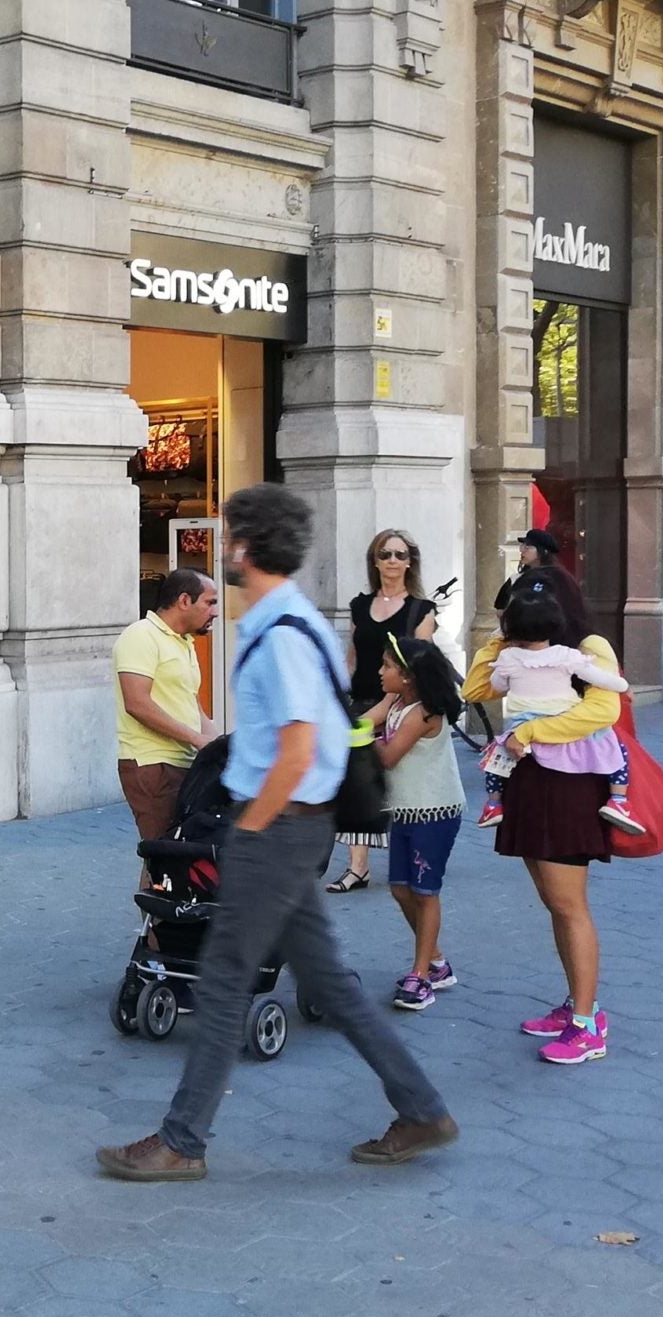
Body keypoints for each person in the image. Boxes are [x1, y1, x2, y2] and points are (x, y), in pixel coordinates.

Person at [97, 483, 458, 1182]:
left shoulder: (281, 633)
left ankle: (181, 1142)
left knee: (228, 976)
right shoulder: (287, 621)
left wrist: (248, 832)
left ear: (243, 547)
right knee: (332, 983)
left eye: (229, 536)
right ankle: (421, 1109)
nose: (222, 550)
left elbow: (296, 749)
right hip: (293, 826)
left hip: (277, 825)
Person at [463, 570, 625, 1064]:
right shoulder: (517, 650)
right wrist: (498, 637)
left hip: (570, 784)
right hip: (529, 782)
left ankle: (587, 1024)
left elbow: (603, 711)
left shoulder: (589, 646)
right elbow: (475, 690)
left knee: (568, 903)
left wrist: (531, 734)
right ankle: (579, 1004)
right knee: (553, 901)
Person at [472, 592, 641, 835]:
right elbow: (600, 678)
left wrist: (502, 653)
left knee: (495, 764)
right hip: (562, 717)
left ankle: (493, 804)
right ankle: (619, 801)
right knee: (615, 747)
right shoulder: (566, 655)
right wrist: (625, 687)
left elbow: (496, 686)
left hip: (522, 723)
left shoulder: (508, 657)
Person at [328, 529, 436, 894]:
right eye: (385, 554)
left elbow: (417, 668)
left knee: (403, 781)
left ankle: (417, 854)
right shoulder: (360, 605)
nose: (393, 561)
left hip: (400, 705)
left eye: (400, 555)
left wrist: (386, 707)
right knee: (359, 783)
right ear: (374, 561)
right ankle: (358, 867)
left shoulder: (421, 610)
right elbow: (353, 657)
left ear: (410, 562)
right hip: (360, 698)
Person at [364, 636, 467, 1011]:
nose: (380, 671)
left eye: (387, 666)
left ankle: (421, 974)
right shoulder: (396, 703)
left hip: (434, 812)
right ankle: (437, 961)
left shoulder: (424, 714)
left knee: (425, 893)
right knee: (400, 889)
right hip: (406, 811)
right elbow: (368, 720)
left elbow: (389, 756)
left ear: (407, 676)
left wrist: (365, 740)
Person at [113, 571, 220, 859]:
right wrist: (197, 740)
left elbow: (191, 705)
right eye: (210, 603)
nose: (216, 612)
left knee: (181, 853)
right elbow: (136, 703)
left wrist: (221, 746)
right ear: (184, 600)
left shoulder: (183, 642)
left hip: (184, 764)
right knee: (163, 855)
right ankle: (150, 906)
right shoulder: (141, 635)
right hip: (151, 764)